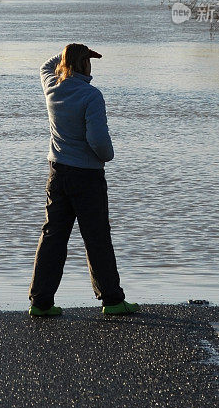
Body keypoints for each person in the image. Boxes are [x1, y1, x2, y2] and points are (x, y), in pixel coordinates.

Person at [28, 43, 139, 317]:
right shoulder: (91, 96)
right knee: (97, 237)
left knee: (53, 236)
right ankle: (112, 300)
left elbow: (45, 64)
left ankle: (40, 302)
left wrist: (69, 52)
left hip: (57, 173)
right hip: (87, 176)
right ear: (86, 64)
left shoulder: (51, 86)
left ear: (65, 64)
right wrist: (108, 155)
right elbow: (98, 141)